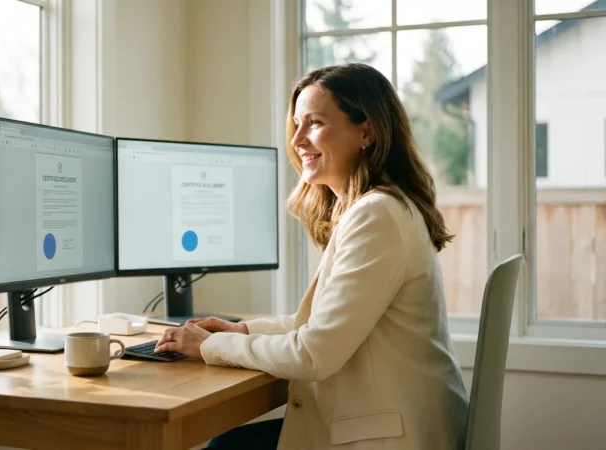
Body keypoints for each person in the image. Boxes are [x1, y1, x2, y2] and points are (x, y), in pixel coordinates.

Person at [154, 63, 468, 450]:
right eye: (297, 124)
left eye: (315, 123)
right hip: (395, 418)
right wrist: (242, 331)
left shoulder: (377, 215)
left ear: (367, 131)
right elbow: (322, 324)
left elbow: (316, 352)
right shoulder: (377, 208)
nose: (298, 139)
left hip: (387, 435)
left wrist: (206, 346)